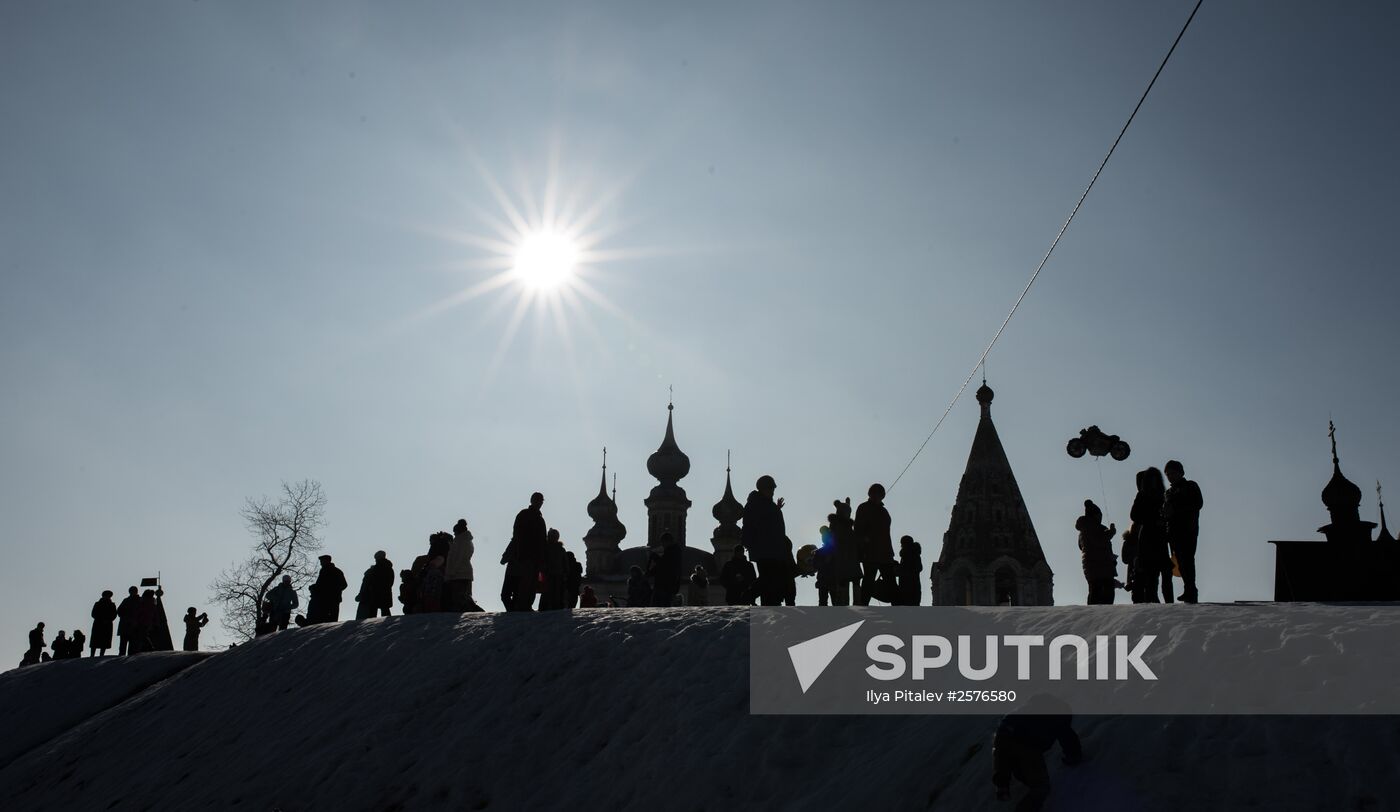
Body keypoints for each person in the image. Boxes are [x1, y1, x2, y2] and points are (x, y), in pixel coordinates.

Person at [990, 695, 1084, 812]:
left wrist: (1001, 782)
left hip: (1006, 737)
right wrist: (1074, 756)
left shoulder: (1023, 711)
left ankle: (1007, 787)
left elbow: (1001, 751)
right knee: (1041, 787)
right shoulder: (1059, 711)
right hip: (1027, 745)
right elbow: (1067, 736)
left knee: (1017, 767)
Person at [742, 476, 788, 606]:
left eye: (773, 489)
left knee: (771, 579)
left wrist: (776, 509)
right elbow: (752, 525)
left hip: (772, 549)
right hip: (764, 548)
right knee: (767, 577)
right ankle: (748, 596)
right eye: (770, 489)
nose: (772, 492)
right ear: (763, 489)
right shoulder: (756, 504)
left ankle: (769, 604)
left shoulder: (767, 505)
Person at [1163, 460, 1204, 604]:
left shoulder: (1190, 486)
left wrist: (1175, 508)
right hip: (1173, 532)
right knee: (1180, 562)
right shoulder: (1168, 492)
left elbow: (1197, 503)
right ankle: (1188, 589)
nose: (1170, 476)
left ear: (1180, 473)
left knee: (1187, 560)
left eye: (1173, 473)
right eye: (1168, 474)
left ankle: (1191, 590)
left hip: (1188, 530)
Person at [1130, 468, 1170, 603]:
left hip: (1161, 537)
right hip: (1148, 537)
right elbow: (1134, 515)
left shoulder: (1163, 495)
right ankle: (1153, 601)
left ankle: (1167, 602)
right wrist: (1153, 520)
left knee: (1165, 571)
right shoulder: (1142, 495)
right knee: (1152, 573)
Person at [503, 493, 547, 611]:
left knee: (530, 584)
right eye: (538, 500)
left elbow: (543, 541)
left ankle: (526, 606)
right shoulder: (525, 515)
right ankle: (521, 606)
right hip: (524, 556)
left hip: (534, 557)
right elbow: (517, 535)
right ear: (532, 500)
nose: (540, 503)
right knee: (524, 584)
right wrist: (519, 552)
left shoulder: (539, 519)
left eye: (541, 501)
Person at [855, 484, 896, 605]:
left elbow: (886, 533)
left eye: (879, 494)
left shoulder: (884, 511)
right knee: (868, 581)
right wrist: (864, 541)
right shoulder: (863, 507)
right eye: (874, 493)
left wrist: (890, 552)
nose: (877, 496)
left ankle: (898, 608)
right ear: (870, 494)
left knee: (891, 582)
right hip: (870, 552)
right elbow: (858, 529)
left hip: (885, 553)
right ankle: (863, 607)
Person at [1076, 500, 1118, 605]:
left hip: (1097, 566)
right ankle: (1095, 614)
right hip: (1097, 566)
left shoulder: (1086, 529)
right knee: (1099, 593)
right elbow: (1098, 541)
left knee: (1098, 591)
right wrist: (1110, 533)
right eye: (1099, 515)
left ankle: (1097, 614)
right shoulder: (1089, 527)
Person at [825, 498, 862, 606]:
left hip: (851, 556)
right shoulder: (835, 525)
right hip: (842, 557)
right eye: (846, 512)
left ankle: (857, 602)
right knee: (843, 581)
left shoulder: (848, 526)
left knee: (855, 579)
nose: (848, 514)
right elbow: (832, 541)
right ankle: (843, 604)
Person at [444, 519, 477, 613]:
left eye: (455, 532)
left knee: (460, 600)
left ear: (458, 531)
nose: (454, 534)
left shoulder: (461, 541)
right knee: (464, 599)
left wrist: (451, 572)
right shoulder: (464, 541)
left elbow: (458, 558)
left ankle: (476, 613)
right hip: (463, 573)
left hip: (459, 574)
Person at [306, 554, 348, 623]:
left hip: (329, 599)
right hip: (328, 599)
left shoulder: (331, 571)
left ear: (327, 561)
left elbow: (344, 585)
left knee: (329, 621)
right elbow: (320, 585)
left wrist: (332, 591)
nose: (321, 563)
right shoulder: (329, 571)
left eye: (322, 561)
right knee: (328, 621)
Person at [356, 550, 396, 619]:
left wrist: (370, 589)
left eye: (376, 558)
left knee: (373, 612)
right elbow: (390, 582)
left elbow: (371, 581)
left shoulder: (376, 569)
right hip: (385, 592)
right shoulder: (389, 568)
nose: (375, 560)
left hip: (375, 593)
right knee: (385, 610)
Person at [540, 529, 567, 611]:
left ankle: (550, 607)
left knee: (552, 592)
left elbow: (565, 563)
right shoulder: (559, 549)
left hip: (555, 574)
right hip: (551, 573)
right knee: (550, 592)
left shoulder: (547, 548)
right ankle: (550, 607)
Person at [90, 590, 118, 656]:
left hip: (106, 624)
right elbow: (93, 613)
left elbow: (114, 615)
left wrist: (108, 620)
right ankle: (92, 655)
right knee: (95, 639)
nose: (107, 597)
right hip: (98, 624)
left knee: (105, 640)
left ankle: (101, 655)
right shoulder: (98, 604)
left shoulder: (112, 605)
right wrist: (101, 619)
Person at [898, 535, 923, 606]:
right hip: (914, 588)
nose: (901, 545)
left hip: (908, 588)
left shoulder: (908, 554)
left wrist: (901, 570)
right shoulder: (913, 553)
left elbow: (917, 568)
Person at [116, 586, 140, 655]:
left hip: (133, 625)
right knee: (124, 644)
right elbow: (119, 611)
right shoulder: (126, 600)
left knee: (131, 644)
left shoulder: (139, 600)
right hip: (126, 625)